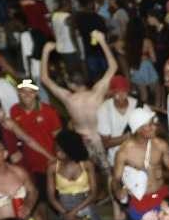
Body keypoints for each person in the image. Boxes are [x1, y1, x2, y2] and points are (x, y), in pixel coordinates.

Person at [39, 34, 118, 171]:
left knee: (90, 171)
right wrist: (102, 41)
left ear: (70, 83)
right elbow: (113, 67)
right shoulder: (97, 93)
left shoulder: (68, 98)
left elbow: (44, 79)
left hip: (83, 141)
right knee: (110, 169)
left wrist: (45, 51)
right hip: (102, 138)